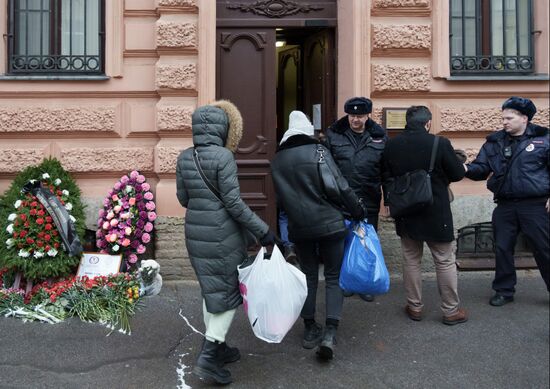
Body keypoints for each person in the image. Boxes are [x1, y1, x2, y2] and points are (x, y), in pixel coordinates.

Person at [176, 100, 278, 384]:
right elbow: (233, 203)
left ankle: (219, 348)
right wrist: (263, 231)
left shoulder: (184, 157)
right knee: (228, 294)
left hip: (195, 232)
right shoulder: (223, 157)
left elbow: (183, 199)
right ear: (224, 129)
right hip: (222, 235)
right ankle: (208, 357)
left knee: (212, 289)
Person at [271, 110, 367, 361]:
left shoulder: (278, 159)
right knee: (333, 277)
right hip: (330, 224)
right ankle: (330, 333)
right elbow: (338, 185)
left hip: (300, 229)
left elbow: (281, 200)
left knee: (308, 277)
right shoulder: (319, 152)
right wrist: (357, 209)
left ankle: (310, 329)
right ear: (307, 130)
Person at [382, 105, 468, 325]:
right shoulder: (440, 143)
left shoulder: (391, 145)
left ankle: (415, 307)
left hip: (406, 210)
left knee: (411, 260)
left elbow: (385, 176)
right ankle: (450, 311)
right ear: (428, 123)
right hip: (435, 209)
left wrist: (389, 204)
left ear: (407, 121)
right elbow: (457, 174)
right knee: (444, 260)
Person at [464, 96, 549, 306]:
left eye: (509, 118)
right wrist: (464, 168)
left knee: (543, 247)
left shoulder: (543, 139)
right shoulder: (494, 142)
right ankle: (504, 290)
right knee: (502, 248)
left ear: (524, 118)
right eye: (503, 118)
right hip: (506, 205)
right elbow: (481, 168)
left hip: (535, 205)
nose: (504, 122)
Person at [323, 96, 386, 302]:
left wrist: (389, 200)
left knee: (366, 243)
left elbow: (386, 170)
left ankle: (365, 282)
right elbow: (326, 167)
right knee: (342, 242)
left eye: (359, 116)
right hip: (340, 199)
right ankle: (347, 280)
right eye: (352, 115)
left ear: (368, 115)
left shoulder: (380, 137)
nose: (355, 120)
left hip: (368, 197)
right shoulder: (334, 135)